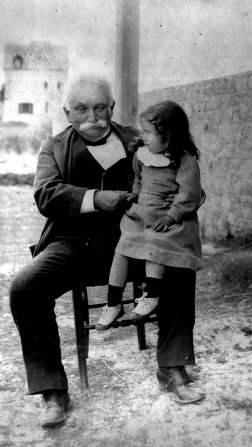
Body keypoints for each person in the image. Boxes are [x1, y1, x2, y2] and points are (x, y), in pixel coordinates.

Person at [9, 77, 205, 430]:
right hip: (73, 245)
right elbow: (46, 195)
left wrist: (172, 211)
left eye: (100, 107)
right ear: (67, 112)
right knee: (25, 288)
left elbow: (184, 175)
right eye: (81, 109)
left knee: (177, 264)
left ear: (112, 108)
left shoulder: (139, 138)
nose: (92, 116)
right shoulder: (53, 148)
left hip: (136, 241)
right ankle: (52, 390)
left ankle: (173, 367)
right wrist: (96, 199)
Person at [96, 101, 206, 337]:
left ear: (168, 136)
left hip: (167, 217)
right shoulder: (143, 155)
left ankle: (151, 296)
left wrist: (171, 216)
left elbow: (190, 194)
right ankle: (113, 303)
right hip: (142, 214)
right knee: (122, 248)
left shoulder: (185, 161)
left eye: (149, 132)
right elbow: (138, 178)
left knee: (155, 244)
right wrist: (135, 194)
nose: (143, 136)